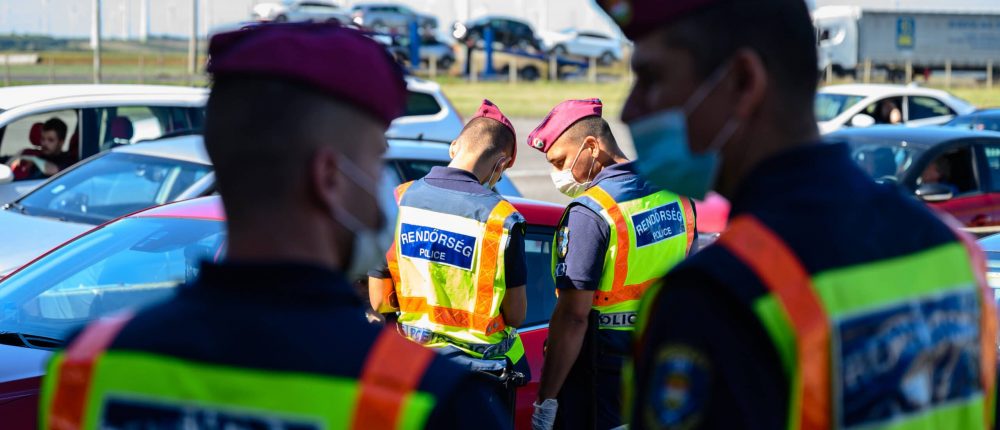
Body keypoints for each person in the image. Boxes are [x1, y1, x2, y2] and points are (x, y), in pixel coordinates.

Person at [40, 23, 509, 430]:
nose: (383, 186)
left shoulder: (87, 364)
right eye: (374, 161)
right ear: (330, 178)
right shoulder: (427, 397)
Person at [596, 0, 998, 429]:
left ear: (743, 81)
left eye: (651, 79)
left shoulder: (716, 299)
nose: (629, 110)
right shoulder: (954, 252)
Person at [527, 99, 697, 430]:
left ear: (591, 147)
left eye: (560, 161)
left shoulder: (590, 213)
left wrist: (546, 400)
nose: (558, 174)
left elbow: (574, 317)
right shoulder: (676, 191)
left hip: (602, 377)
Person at [368, 99, 528, 417]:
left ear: (454, 146)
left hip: (412, 369)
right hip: (480, 382)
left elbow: (379, 300)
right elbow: (517, 314)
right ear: (500, 165)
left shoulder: (399, 200)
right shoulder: (502, 219)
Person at [8, 117, 75, 178]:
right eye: (43, 139)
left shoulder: (68, 161)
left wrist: (33, 160)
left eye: (50, 140)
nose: (44, 143)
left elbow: (54, 170)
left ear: (61, 142)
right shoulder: (30, 153)